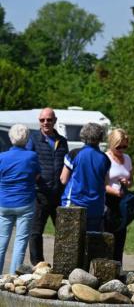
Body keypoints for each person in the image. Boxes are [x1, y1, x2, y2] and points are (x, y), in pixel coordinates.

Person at [27, 107, 68, 266]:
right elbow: (28, 162)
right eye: (42, 120)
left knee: (64, 233)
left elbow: (67, 165)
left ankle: (63, 264)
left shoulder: (62, 140)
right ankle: (38, 264)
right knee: (36, 232)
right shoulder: (33, 139)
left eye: (49, 120)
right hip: (40, 194)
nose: (45, 123)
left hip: (59, 194)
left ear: (55, 121)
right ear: (39, 121)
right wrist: (34, 176)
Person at [0, 124, 40, 274]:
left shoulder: (2, 157)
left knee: (1, 241)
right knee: (20, 242)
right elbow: (36, 176)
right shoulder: (32, 156)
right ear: (27, 138)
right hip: (25, 202)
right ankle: (12, 277)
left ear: (11, 138)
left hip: (4, 203)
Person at [60, 123, 111, 231]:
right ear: (100, 138)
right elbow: (106, 183)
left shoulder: (74, 154)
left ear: (83, 136)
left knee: (70, 242)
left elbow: (63, 179)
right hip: (96, 206)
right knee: (91, 241)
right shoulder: (105, 159)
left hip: (74, 203)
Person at [104, 128, 133, 263]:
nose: (122, 150)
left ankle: (118, 267)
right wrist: (115, 191)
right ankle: (105, 266)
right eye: (119, 147)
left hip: (123, 202)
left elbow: (131, 181)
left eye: (125, 146)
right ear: (111, 143)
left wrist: (127, 182)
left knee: (121, 237)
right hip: (109, 202)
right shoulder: (106, 158)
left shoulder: (127, 158)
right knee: (108, 237)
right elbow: (101, 184)